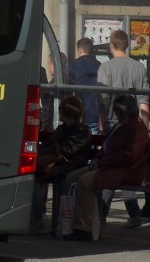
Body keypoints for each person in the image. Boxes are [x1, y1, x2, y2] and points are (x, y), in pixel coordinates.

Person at [62, 94, 150, 241]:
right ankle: (67, 224)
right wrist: (97, 158)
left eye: (117, 111)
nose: (114, 114)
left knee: (85, 182)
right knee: (72, 178)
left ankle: (85, 228)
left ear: (124, 112)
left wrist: (101, 162)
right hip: (109, 166)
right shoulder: (120, 125)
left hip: (124, 170)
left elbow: (128, 157)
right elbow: (106, 146)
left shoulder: (137, 128)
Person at [30, 95, 90, 233]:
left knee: (36, 178)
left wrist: (55, 149)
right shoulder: (62, 129)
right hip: (59, 164)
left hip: (70, 167)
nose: (59, 112)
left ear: (66, 112)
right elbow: (49, 145)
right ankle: (36, 217)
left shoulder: (81, 130)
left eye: (60, 110)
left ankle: (36, 219)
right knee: (33, 175)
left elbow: (67, 151)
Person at [97, 29, 150, 132]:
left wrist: (101, 127)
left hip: (112, 125)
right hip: (134, 125)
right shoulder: (140, 67)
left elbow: (104, 101)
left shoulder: (105, 67)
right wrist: (145, 129)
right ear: (127, 45)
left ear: (111, 45)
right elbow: (144, 101)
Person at [68, 37, 102, 134]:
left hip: (79, 114)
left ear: (80, 50)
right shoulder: (101, 66)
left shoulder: (72, 65)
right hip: (96, 115)